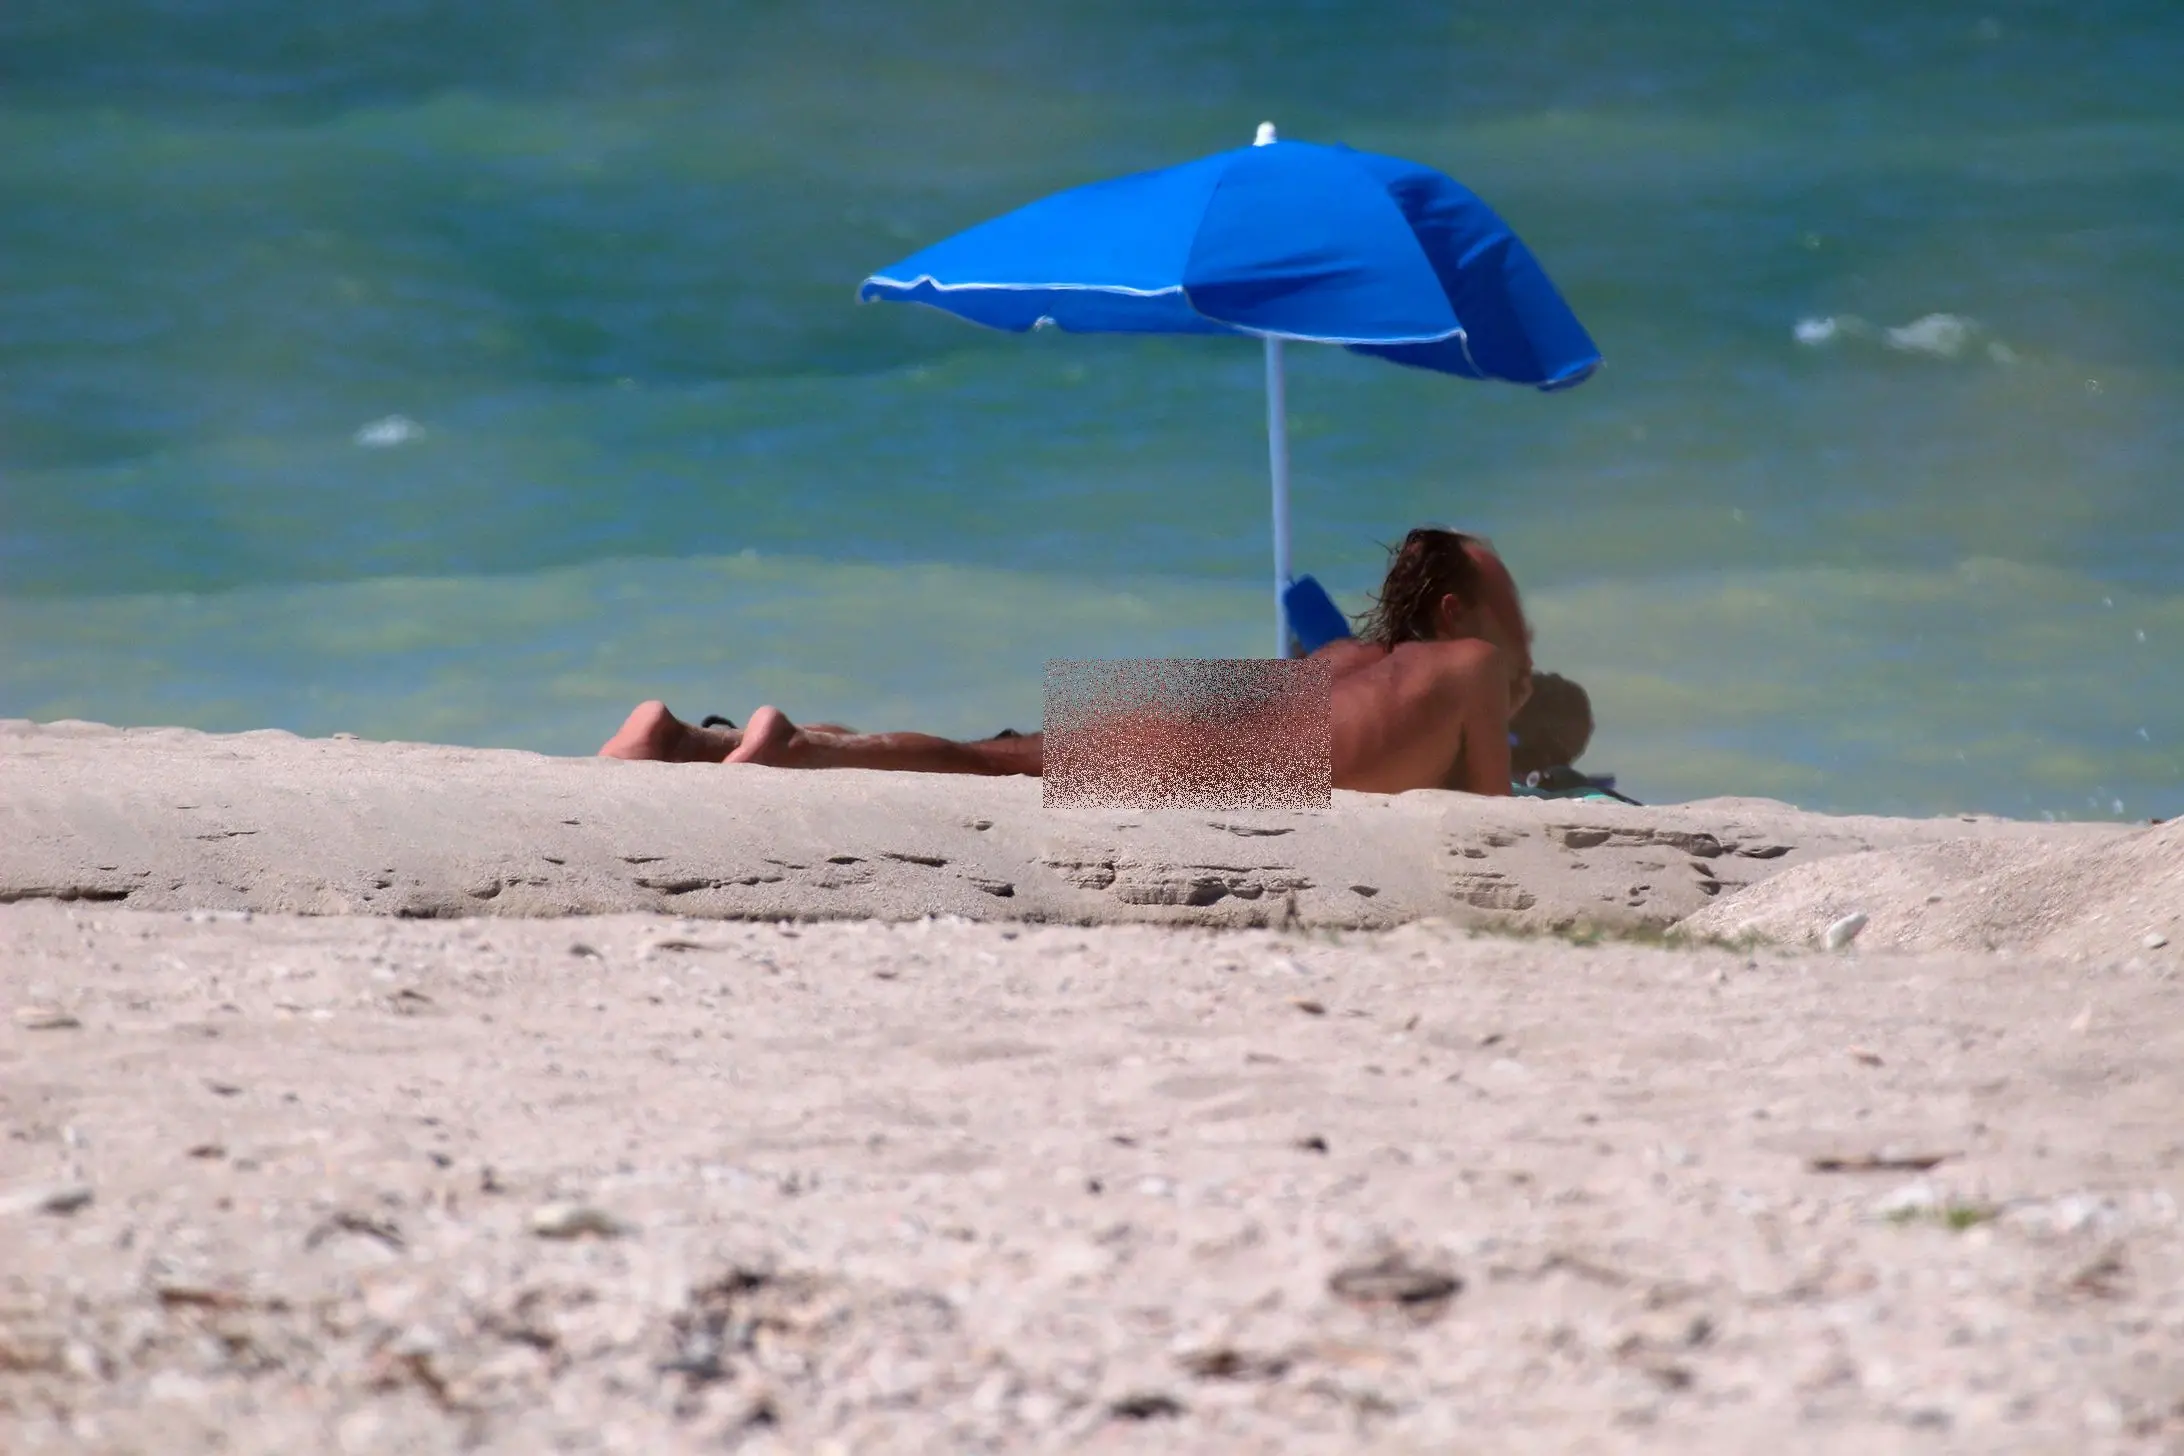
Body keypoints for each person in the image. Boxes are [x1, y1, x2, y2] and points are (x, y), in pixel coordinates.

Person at [600, 526, 1534, 796]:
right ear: (1457, 615)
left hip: (1218, 715)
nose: (1522, 639)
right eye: (1514, 617)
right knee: (980, 765)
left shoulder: (1346, 654)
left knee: (988, 756)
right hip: (1251, 758)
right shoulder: (1472, 668)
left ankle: (682, 738)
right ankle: (796, 750)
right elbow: (1484, 816)